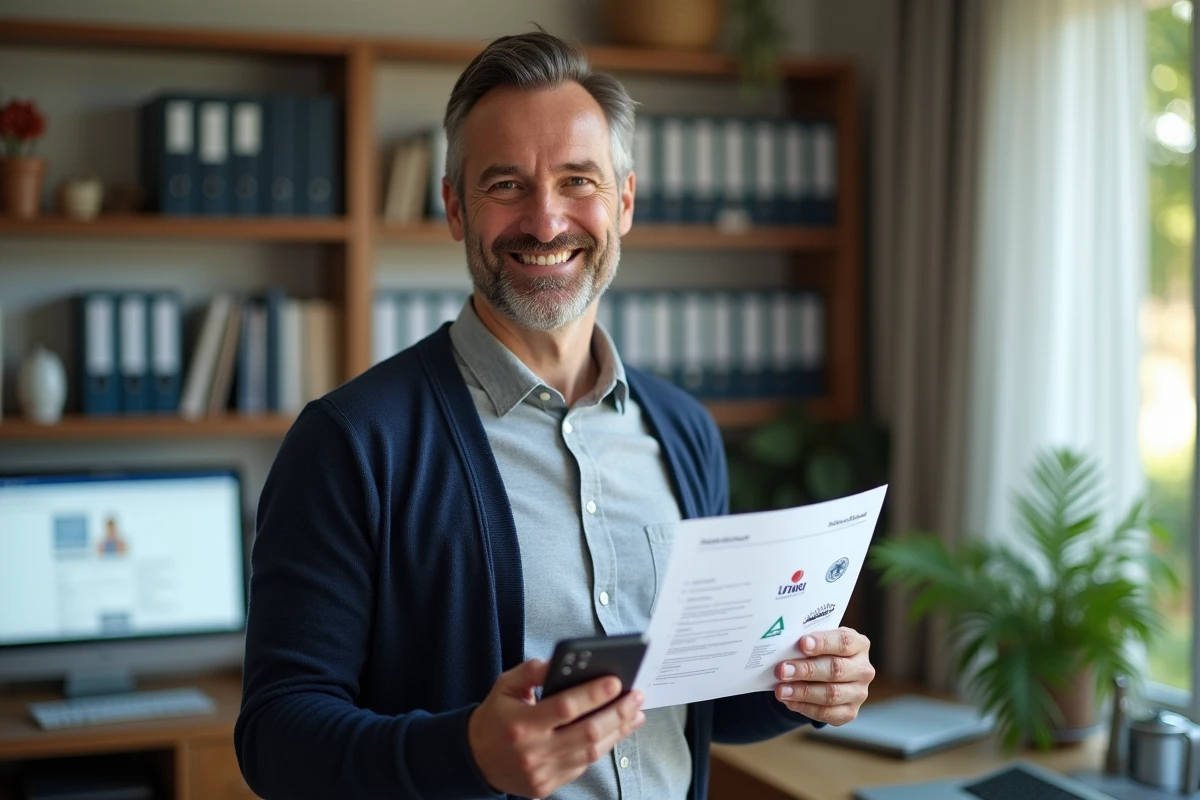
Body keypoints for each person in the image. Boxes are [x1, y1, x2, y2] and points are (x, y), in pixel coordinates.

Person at [235, 28, 875, 800]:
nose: (545, 222)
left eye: (579, 181)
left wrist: (796, 687)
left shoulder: (681, 430)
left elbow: (689, 701)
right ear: (454, 208)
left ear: (625, 203)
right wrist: (464, 753)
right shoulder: (351, 443)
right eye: (506, 185)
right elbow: (275, 737)